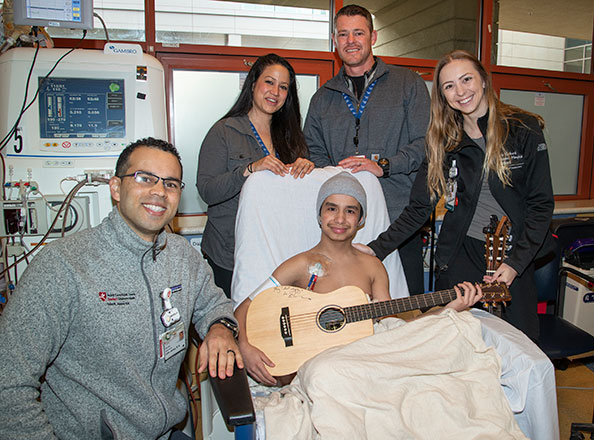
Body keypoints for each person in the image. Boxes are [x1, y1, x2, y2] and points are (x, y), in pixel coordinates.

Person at [0, 138, 243, 440]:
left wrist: (220, 327)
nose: (159, 191)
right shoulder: (63, 266)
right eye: (145, 178)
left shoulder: (183, 258)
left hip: (166, 431)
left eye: (170, 184)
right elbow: (8, 383)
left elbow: (215, 304)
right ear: (116, 188)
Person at [361, 50, 555, 341]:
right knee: (452, 344)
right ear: (442, 95)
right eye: (449, 86)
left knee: (517, 347)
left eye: (466, 80)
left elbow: (541, 205)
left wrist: (515, 264)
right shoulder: (443, 140)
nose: (460, 91)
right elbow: (418, 208)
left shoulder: (523, 129)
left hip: (514, 255)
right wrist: (376, 248)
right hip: (462, 255)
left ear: (484, 81)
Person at [233, 172, 482, 386]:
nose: (340, 219)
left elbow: (394, 332)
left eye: (350, 211)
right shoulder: (299, 265)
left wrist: (449, 309)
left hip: (362, 362)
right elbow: (245, 307)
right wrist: (245, 346)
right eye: (331, 208)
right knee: (324, 373)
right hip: (320, 367)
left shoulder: (373, 267)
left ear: (360, 220)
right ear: (319, 215)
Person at [303, 4, 430, 295]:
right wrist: (338, 181)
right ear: (334, 41)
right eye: (343, 34)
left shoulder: (408, 84)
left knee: (403, 308)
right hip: (343, 225)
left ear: (373, 37)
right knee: (348, 307)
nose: (351, 41)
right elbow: (314, 152)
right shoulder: (323, 98)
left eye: (358, 33)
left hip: (399, 222)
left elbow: (426, 144)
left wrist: (383, 165)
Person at [197, 53, 314, 299]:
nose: (275, 91)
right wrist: (248, 170)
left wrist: (307, 169)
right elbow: (207, 190)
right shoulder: (224, 131)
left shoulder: (292, 137)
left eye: (283, 87)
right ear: (253, 85)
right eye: (269, 82)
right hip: (229, 254)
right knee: (234, 327)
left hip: (277, 252)